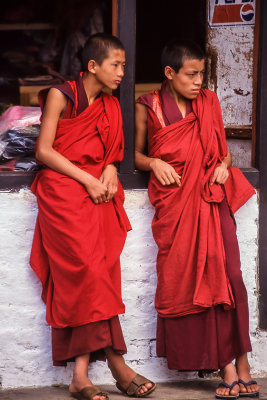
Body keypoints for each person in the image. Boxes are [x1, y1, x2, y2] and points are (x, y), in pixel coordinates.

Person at [30, 33, 156, 400]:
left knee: (97, 272)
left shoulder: (112, 105)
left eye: (123, 66)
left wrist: (113, 169)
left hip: (97, 194)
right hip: (63, 189)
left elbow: (113, 152)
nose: (121, 73)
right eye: (115, 65)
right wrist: (87, 177)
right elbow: (44, 150)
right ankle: (117, 363)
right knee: (88, 270)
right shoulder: (61, 95)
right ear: (93, 66)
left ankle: (81, 376)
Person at [135, 38, 259, 400]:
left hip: (211, 199)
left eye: (202, 74)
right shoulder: (149, 106)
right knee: (193, 283)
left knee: (230, 276)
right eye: (191, 74)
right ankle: (226, 367)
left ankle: (243, 361)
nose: (198, 82)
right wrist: (154, 163)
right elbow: (137, 158)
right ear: (169, 73)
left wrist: (223, 165)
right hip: (177, 207)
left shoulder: (209, 103)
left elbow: (222, 154)